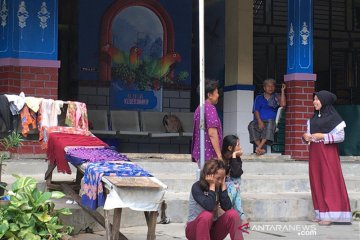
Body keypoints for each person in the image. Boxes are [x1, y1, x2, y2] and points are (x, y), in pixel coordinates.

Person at [302, 90, 351, 226]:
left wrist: (322, 136)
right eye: (314, 99)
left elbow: (341, 137)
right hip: (315, 153)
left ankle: (332, 214)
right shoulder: (312, 119)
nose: (314, 102)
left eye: (317, 99)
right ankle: (321, 213)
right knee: (316, 180)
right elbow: (309, 136)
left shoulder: (335, 118)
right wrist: (306, 137)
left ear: (325, 102)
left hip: (328, 153)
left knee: (329, 181)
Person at [185, 159, 244, 240]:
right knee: (207, 215)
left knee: (232, 214)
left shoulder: (219, 186)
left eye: (222, 178)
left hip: (212, 230)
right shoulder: (197, 187)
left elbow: (227, 207)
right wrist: (212, 185)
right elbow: (209, 206)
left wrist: (223, 188)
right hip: (194, 231)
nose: (220, 181)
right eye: (218, 178)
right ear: (209, 175)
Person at [248, 79, 286, 155]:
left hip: (271, 122)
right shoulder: (259, 98)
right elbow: (256, 110)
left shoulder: (276, 97)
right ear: (264, 88)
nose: (271, 88)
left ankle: (259, 148)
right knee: (251, 125)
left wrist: (282, 91)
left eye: (272, 86)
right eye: (268, 86)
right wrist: (259, 121)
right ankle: (260, 148)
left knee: (270, 124)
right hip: (259, 121)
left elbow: (283, 104)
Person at [192, 79, 223, 164]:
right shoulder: (210, 108)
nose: (218, 95)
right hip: (209, 155)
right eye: (216, 93)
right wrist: (219, 156)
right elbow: (212, 133)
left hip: (201, 154)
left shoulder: (199, 108)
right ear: (209, 95)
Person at [221, 135, 249, 226]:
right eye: (238, 145)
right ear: (230, 147)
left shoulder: (236, 158)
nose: (240, 147)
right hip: (223, 187)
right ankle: (239, 217)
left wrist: (234, 156)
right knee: (234, 188)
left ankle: (240, 217)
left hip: (234, 187)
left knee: (235, 188)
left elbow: (237, 173)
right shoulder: (221, 158)